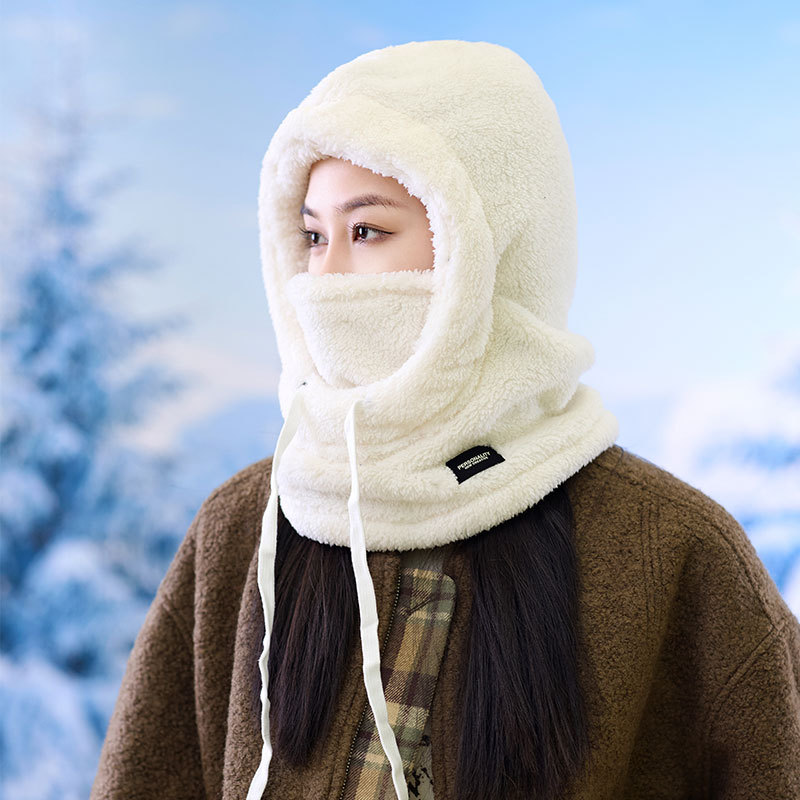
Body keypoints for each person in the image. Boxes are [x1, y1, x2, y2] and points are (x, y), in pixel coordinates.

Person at [90, 40, 800, 800]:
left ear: (492, 248)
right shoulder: (240, 532)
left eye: (367, 231)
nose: (325, 279)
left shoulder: (673, 551)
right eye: (313, 236)